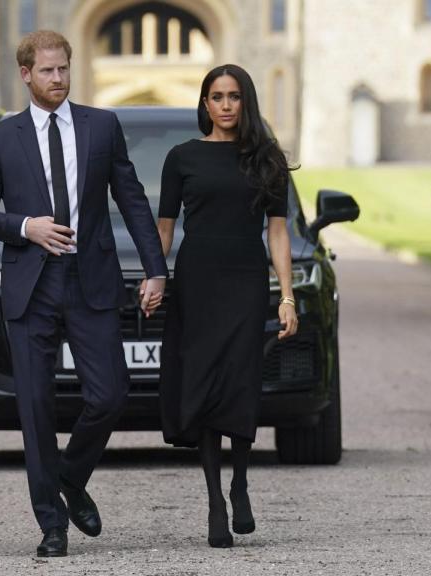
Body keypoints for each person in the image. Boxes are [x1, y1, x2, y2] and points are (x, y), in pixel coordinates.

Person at [0, 30, 168, 557]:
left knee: (110, 394)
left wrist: (155, 268)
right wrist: (26, 226)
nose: (58, 79)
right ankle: (51, 525)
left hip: (90, 279)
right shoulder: (0, 137)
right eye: (47, 71)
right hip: (30, 284)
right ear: (27, 74)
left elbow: (133, 199)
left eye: (64, 69)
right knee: (34, 407)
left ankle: (70, 477)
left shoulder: (101, 126)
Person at [156, 64, 298, 549]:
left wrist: (287, 296)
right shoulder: (181, 158)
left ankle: (240, 483)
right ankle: (215, 499)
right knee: (204, 382)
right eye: (216, 96)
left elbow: (277, 232)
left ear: (245, 102)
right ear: (204, 103)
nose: (224, 105)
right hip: (198, 281)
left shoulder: (267, 159)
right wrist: (156, 277)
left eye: (233, 96)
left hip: (245, 280)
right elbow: (165, 228)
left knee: (239, 380)